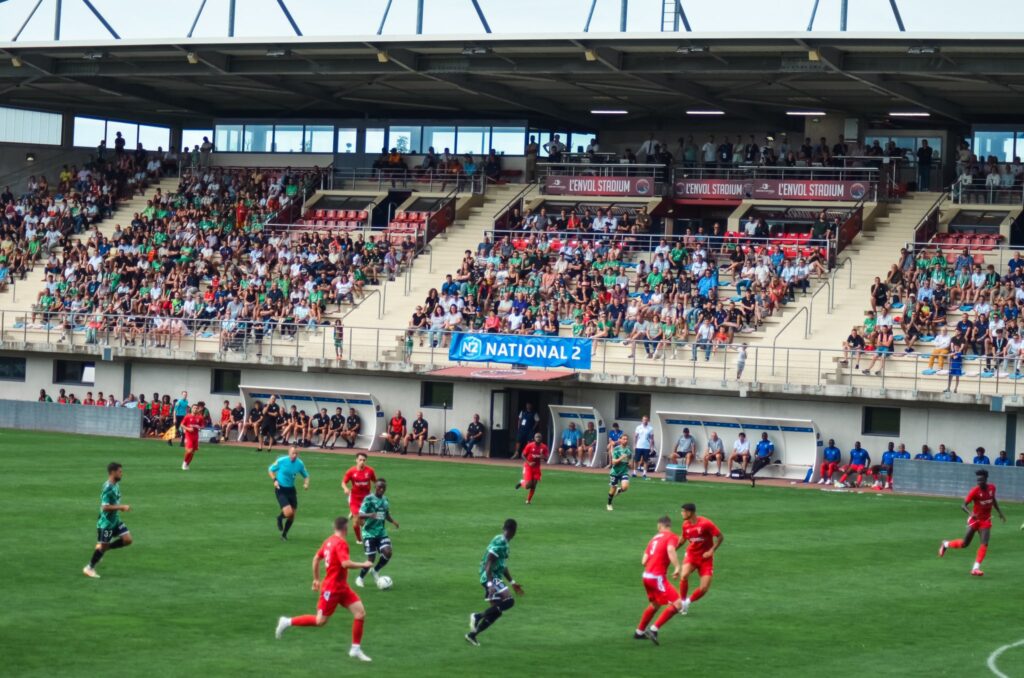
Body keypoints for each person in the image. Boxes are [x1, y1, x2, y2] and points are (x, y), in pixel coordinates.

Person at [274, 517, 374, 662]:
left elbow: (316, 558)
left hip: (342, 587)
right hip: (332, 589)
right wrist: (363, 564)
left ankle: (355, 649)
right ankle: (287, 622)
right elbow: (345, 563)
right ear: (345, 529)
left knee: (360, 613)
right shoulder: (340, 544)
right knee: (320, 621)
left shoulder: (329, 541)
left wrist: (316, 579)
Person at [465, 519, 524, 646]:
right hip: (489, 576)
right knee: (509, 601)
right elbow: (488, 564)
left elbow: (502, 565)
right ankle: (477, 616)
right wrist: (490, 584)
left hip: (493, 576)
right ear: (514, 531)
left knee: (496, 612)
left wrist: (512, 582)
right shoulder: (500, 542)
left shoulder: (504, 542)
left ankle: (472, 635)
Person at [938, 470, 1006, 576]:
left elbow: (993, 500)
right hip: (975, 520)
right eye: (978, 480)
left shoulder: (992, 488)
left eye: (981, 480)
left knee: (984, 543)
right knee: (965, 544)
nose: (979, 482)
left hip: (986, 520)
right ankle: (945, 544)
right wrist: (971, 514)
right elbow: (963, 505)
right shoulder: (974, 491)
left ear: (986, 479)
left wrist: (1000, 512)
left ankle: (975, 568)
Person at [634, 515, 683, 645]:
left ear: (660, 525)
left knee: (655, 604)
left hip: (646, 576)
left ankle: (639, 632)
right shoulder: (672, 536)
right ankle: (653, 629)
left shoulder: (654, 538)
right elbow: (671, 549)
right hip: (657, 577)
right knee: (678, 604)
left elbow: (643, 561)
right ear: (668, 525)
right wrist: (677, 566)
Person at [83, 462, 132, 578]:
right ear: (113, 472)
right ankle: (89, 568)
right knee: (102, 546)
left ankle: (102, 549)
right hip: (106, 523)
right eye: (120, 472)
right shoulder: (108, 487)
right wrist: (122, 507)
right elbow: (104, 507)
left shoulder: (115, 485)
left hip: (115, 520)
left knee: (127, 540)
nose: (122, 474)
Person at [677, 502, 724, 615]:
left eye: (683, 511)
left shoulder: (705, 523)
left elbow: (720, 537)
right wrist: (672, 550)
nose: (681, 513)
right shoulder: (685, 525)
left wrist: (712, 550)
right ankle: (682, 603)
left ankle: (688, 602)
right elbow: (683, 539)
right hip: (692, 555)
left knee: (704, 588)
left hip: (705, 558)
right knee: (684, 575)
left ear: (690, 512)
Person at [356, 479, 399, 588]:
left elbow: (385, 514)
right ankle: (360, 578)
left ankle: (375, 571)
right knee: (371, 559)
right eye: (379, 487)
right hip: (369, 533)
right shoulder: (369, 499)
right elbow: (360, 514)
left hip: (381, 532)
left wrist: (393, 521)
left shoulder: (385, 500)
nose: (381, 490)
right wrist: (370, 515)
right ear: (375, 487)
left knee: (388, 552)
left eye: (383, 488)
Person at [269, 447, 310, 541]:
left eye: (296, 453)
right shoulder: (282, 461)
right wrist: (274, 480)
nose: (294, 455)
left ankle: (284, 534)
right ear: (289, 453)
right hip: (280, 489)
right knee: (288, 512)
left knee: (292, 516)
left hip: (291, 490)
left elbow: (306, 475)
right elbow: (270, 470)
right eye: (293, 453)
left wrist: (306, 483)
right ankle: (280, 518)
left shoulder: (299, 463)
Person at [342, 453, 377, 542]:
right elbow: (343, 482)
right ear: (356, 460)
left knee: (363, 522)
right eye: (360, 460)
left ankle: (356, 517)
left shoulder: (370, 471)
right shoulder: (351, 471)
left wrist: (377, 490)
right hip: (355, 499)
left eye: (364, 460)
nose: (362, 462)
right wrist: (345, 488)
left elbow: (375, 481)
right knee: (356, 521)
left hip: (366, 499)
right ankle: (359, 540)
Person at [514, 432, 546, 505]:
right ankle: (522, 482)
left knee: (534, 485)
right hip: (528, 466)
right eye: (536, 437)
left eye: (539, 437)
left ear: (541, 439)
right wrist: (529, 463)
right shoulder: (530, 445)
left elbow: (546, 458)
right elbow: (522, 455)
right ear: (534, 438)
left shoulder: (544, 447)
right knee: (528, 486)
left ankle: (528, 500)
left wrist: (543, 457)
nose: (538, 438)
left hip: (537, 468)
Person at [607, 439, 632, 511]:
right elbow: (613, 462)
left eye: (626, 439)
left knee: (625, 487)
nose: (625, 440)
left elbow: (630, 461)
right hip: (615, 472)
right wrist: (621, 458)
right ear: (620, 440)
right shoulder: (616, 449)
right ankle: (609, 504)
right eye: (624, 439)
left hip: (624, 472)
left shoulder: (628, 451)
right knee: (613, 489)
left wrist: (630, 464)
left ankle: (620, 490)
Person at [180, 404, 204, 470]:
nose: (195, 409)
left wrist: (199, 427)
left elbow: (202, 426)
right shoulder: (187, 416)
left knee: (193, 452)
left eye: (196, 408)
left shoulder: (200, 417)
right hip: (188, 436)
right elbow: (182, 424)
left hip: (196, 436)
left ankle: (187, 464)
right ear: (191, 409)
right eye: (194, 408)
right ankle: (184, 463)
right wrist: (188, 429)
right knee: (189, 450)